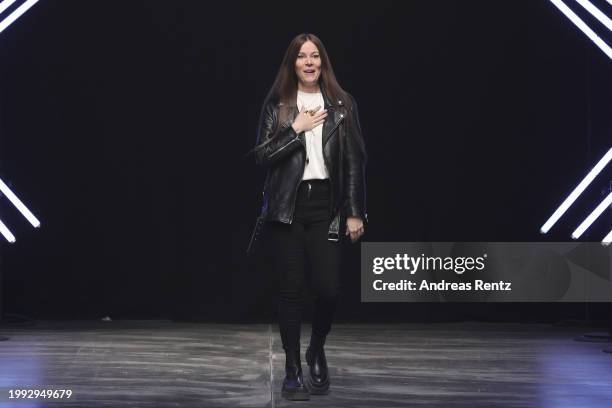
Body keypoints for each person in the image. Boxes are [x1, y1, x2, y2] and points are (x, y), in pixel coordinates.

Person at [251, 33, 367, 401]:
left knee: (328, 289)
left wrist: (354, 211)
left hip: (326, 206)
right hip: (288, 207)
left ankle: (316, 349)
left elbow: (353, 162)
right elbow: (262, 157)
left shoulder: (342, 105)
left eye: (315, 55)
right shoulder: (279, 104)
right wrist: (295, 129)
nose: (309, 62)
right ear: (292, 64)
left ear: (323, 62)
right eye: (302, 57)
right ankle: (292, 370)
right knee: (290, 292)